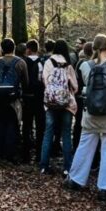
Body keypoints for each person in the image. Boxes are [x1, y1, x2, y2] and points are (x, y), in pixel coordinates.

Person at [64, 34, 106, 200]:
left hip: (91, 112)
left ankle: (76, 179)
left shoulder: (85, 66)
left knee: (85, 144)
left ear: (93, 49)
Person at [39, 39, 77, 176]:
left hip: (51, 103)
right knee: (66, 134)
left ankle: (44, 166)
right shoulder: (68, 64)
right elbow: (76, 87)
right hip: (66, 104)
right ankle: (67, 168)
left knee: (48, 133)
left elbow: (45, 81)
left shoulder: (48, 62)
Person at [0, 38, 28, 161]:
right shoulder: (21, 62)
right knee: (13, 123)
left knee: (1, 123)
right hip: (14, 99)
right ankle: (10, 153)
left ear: (2, 49)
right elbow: (26, 82)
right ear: (14, 48)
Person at [21, 39, 45, 163]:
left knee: (26, 126)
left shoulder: (23, 62)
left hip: (27, 97)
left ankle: (25, 155)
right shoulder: (43, 62)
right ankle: (39, 154)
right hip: (39, 98)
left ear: (28, 50)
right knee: (40, 126)